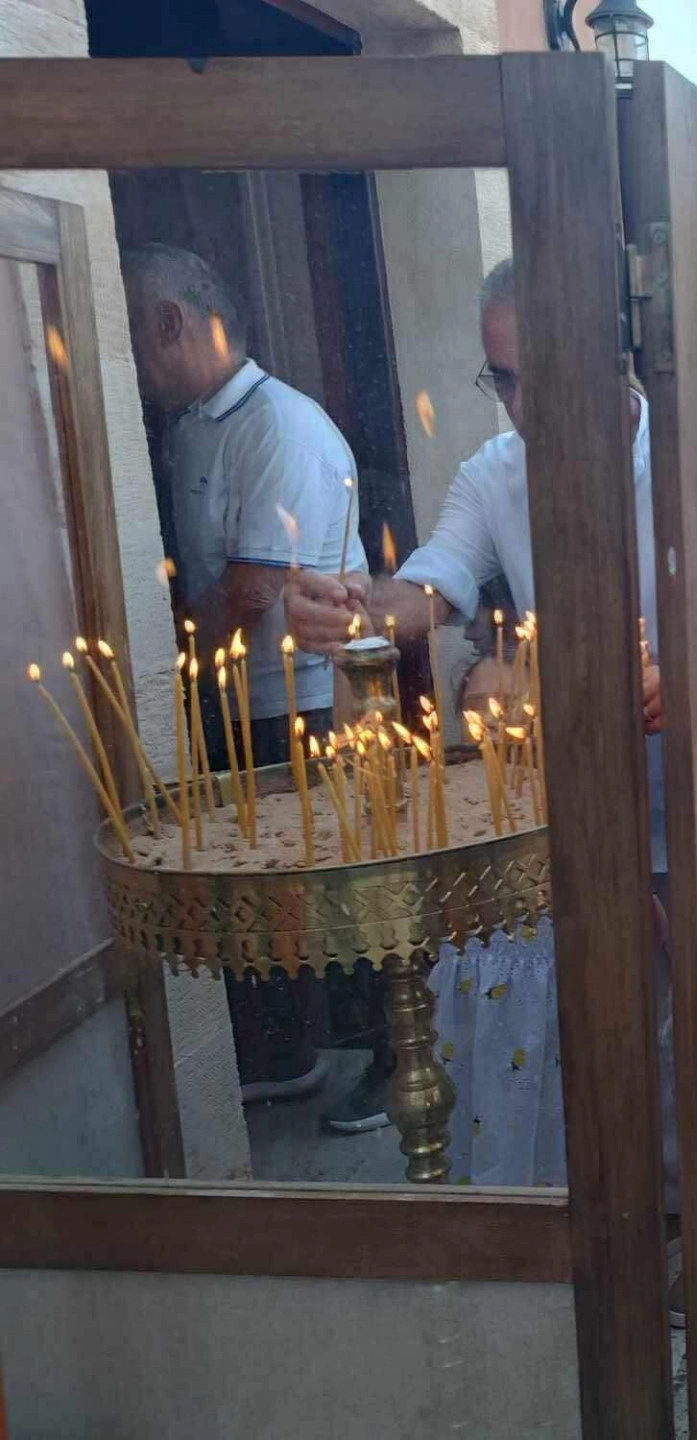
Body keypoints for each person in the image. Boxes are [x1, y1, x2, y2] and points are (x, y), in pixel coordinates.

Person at [284, 256, 697, 1175]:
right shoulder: (494, 473)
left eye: (543, 373)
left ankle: (691, 1219)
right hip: (574, 794)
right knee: (596, 1021)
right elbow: (432, 586)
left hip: (687, 786)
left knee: (692, 1031)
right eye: (504, 378)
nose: (523, 405)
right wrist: (352, 605)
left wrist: (686, 671)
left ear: (609, 353)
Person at [122, 242, 369, 1110]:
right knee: (257, 887)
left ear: (169, 323)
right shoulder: (194, 423)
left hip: (300, 701)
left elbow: (252, 587)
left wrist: (161, 668)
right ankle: (284, 1050)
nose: (132, 364)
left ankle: (385, 1054)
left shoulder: (279, 424)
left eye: (132, 336)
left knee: (327, 885)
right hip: (234, 698)